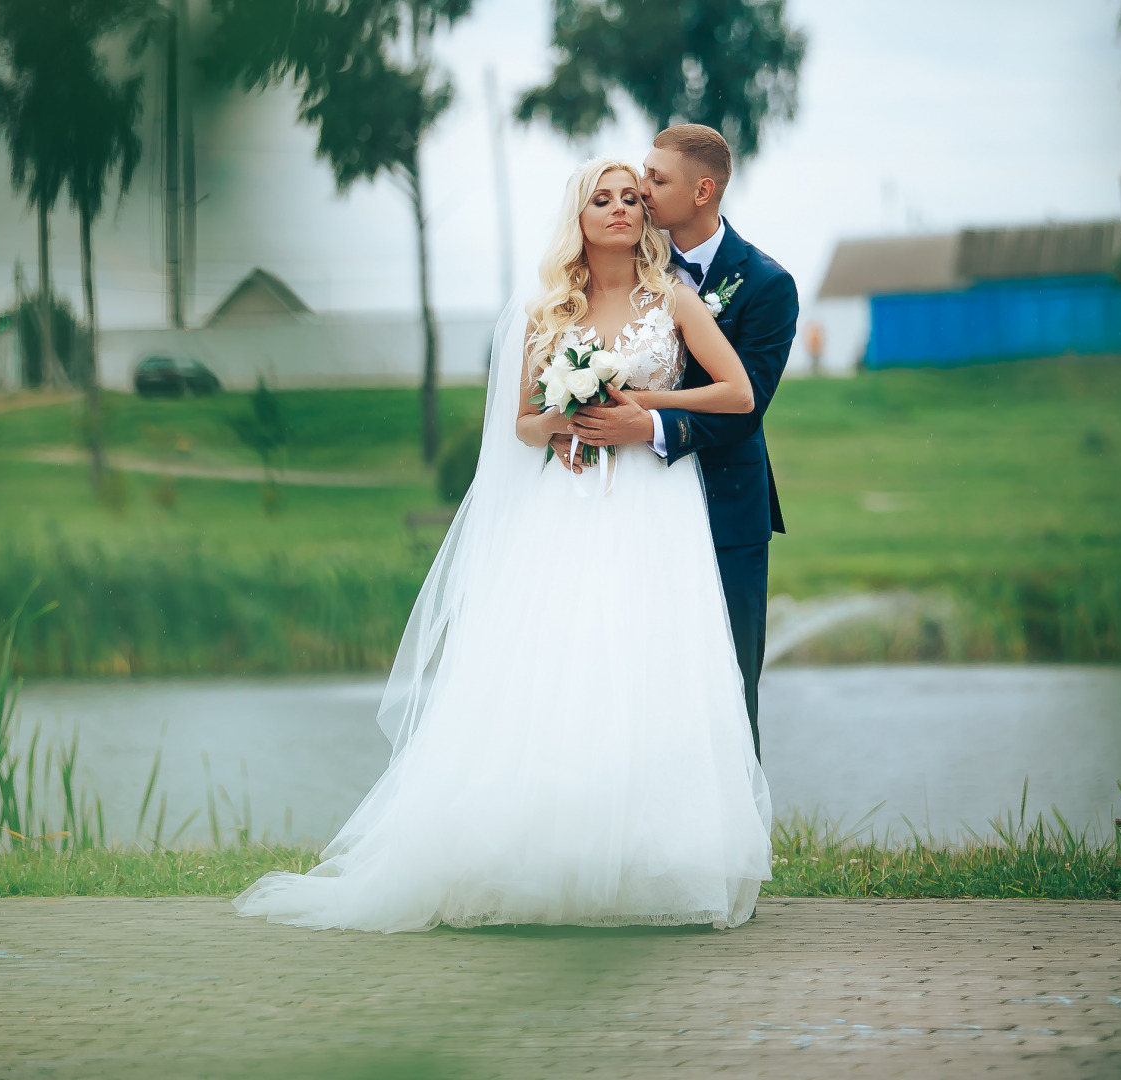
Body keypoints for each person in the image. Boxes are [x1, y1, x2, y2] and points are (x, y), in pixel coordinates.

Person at [233, 157, 772, 933]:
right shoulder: (548, 310)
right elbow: (522, 423)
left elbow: (738, 392)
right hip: (571, 506)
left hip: (655, 508)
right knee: (562, 668)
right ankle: (541, 859)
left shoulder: (676, 300)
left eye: (630, 197)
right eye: (603, 198)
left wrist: (635, 408)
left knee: (652, 665)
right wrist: (563, 419)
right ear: (579, 215)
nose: (621, 209)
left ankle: (657, 864)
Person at [567, 124, 799, 762]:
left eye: (655, 180)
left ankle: (737, 842)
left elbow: (745, 408)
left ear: (703, 191)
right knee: (644, 678)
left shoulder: (766, 285)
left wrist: (649, 423)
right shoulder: (634, 266)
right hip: (635, 507)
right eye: (640, 176)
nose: (639, 192)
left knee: (727, 680)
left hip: (726, 507)